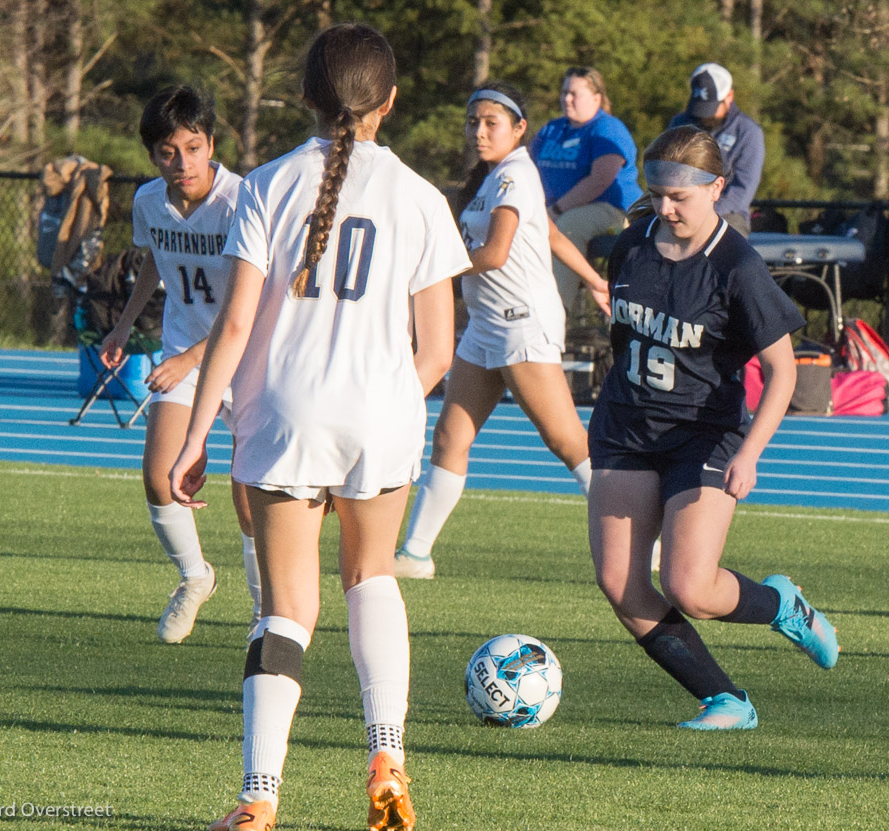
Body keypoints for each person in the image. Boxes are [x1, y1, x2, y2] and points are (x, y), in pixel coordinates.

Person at [169, 23, 466, 831]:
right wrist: (383, 405)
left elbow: (233, 326)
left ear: (304, 96)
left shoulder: (265, 183)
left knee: (284, 610)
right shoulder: (421, 196)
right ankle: (386, 753)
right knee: (372, 576)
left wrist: (195, 437)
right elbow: (438, 348)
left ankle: (258, 798)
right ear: (391, 102)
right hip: (380, 411)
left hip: (283, 414)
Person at [587, 126, 838, 730]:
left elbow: (781, 370)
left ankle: (783, 606)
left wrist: (751, 453)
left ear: (717, 188)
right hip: (625, 428)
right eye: (657, 194)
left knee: (690, 588)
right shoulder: (632, 245)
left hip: (705, 434)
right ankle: (726, 700)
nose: (665, 208)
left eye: (681, 197)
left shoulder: (737, 266)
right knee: (621, 585)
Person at [394, 82, 610, 580]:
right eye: (473, 122)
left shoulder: (514, 173)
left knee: (567, 441)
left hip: (520, 324)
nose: (479, 131)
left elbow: (495, 253)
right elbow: (552, 234)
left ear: (519, 130)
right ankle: (415, 555)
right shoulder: (494, 176)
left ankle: (644, 538)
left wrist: (426, 271)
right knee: (449, 437)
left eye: (492, 123)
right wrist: (596, 280)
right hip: (487, 327)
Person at [100, 85, 260, 644]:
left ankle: (267, 616)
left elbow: (254, 298)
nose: (182, 162)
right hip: (185, 352)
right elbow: (155, 262)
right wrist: (124, 323)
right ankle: (196, 577)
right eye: (169, 152)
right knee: (160, 477)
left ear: (211, 144)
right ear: (153, 156)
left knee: (250, 497)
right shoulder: (148, 200)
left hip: (248, 355)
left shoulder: (244, 200)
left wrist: (193, 356)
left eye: (193, 148)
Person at [530, 66, 642, 314]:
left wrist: (556, 210)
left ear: (596, 98)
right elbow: (526, 169)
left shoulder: (607, 129)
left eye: (573, 93)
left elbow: (600, 180)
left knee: (568, 226)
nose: (566, 99)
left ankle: (553, 314)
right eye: (563, 92)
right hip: (552, 209)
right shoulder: (552, 130)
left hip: (611, 211)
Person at [668, 62, 765, 236]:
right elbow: (667, 171)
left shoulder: (748, 132)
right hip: (678, 209)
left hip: (728, 214)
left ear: (729, 97)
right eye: (700, 108)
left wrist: (702, 213)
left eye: (711, 108)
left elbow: (741, 192)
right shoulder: (680, 123)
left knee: (717, 238)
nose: (704, 116)